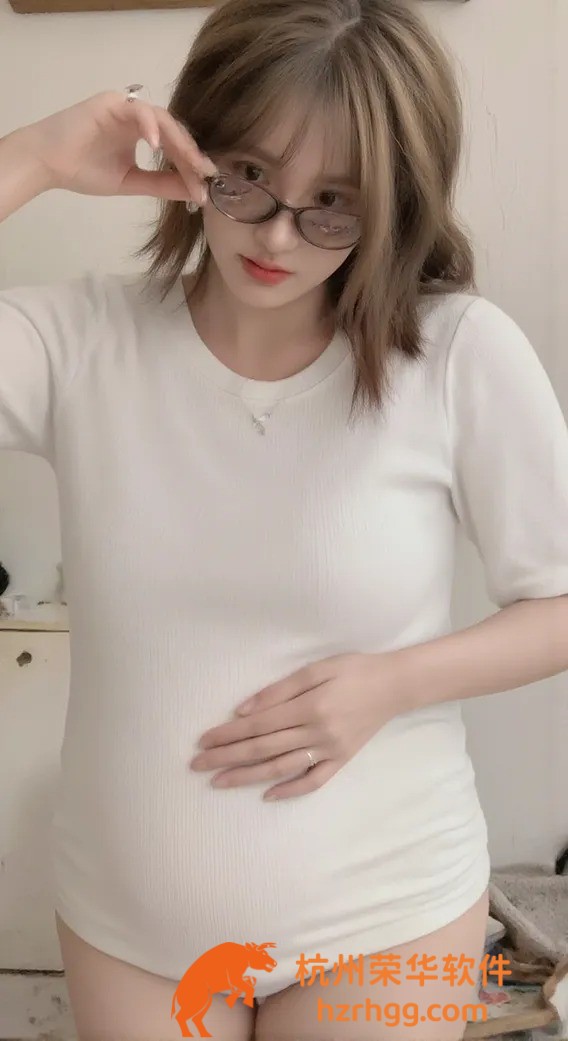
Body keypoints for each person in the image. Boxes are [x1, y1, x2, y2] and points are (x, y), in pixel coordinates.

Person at [1, 1, 568, 1039]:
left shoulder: (456, 352)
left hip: (387, 913)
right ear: (192, 147)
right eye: (248, 176)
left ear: (393, 206)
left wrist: (393, 682)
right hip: (128, 924)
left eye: (333, 205)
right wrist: (32, 156)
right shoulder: (79, 341)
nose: (274, 235)